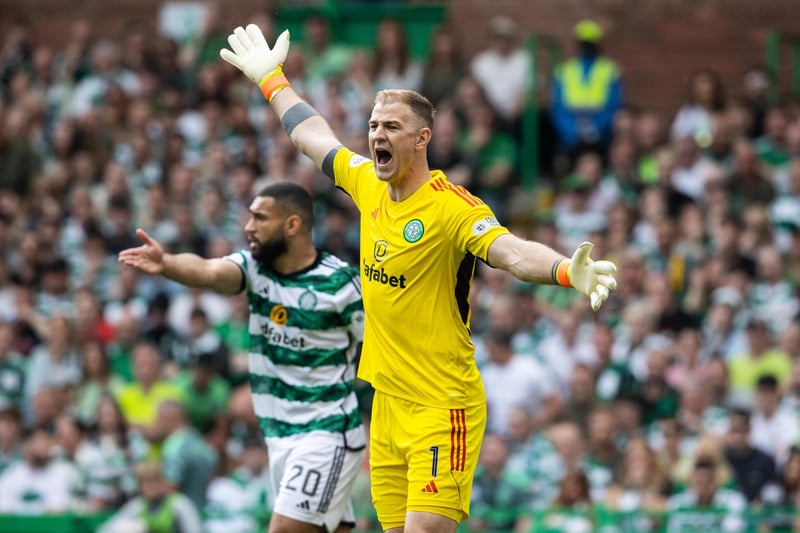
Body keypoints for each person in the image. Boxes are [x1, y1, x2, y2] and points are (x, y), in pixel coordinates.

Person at [218, 23, 618, 533]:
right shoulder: (368, 183)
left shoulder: (451, 207)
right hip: (386, 405)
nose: (377, 135)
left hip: (442, 404)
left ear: (422, 138)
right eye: (373, 125)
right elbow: (311, 135)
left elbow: (512, 253)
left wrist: (565, 270)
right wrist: (272, 79)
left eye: (391, 127)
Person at [118, 180, 366, 532]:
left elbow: (381, 347)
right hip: (279, 437)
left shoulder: (339, 284)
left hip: (326, 432)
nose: (248, 227)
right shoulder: (254, 268)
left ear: (292, 225)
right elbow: (209, 271)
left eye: (260, 218)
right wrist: (168, 263)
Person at [550, 19, 623, 164]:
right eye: (584, 43)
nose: (587, 47)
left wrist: (595, 130)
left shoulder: (610, 70)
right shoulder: (564, 70)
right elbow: (558, 108)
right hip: (570, 138)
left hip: (602, 137)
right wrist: (572, 132)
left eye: (590, 44)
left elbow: (614, 106)